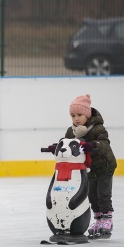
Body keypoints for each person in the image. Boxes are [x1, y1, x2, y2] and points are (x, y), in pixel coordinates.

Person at [47, 94, 117, 238]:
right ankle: (98, 221)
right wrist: (57, 146)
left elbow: (105, 144)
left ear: (87, 114)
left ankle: (107, 220)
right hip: (88, 168)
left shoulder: (98, 128)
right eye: (73, 115)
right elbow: (66, 143)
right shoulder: (71, 131)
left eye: (79, 115)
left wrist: (92, 145)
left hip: (104, 166)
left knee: (103, 194)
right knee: (91, 195)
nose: (76, 119)